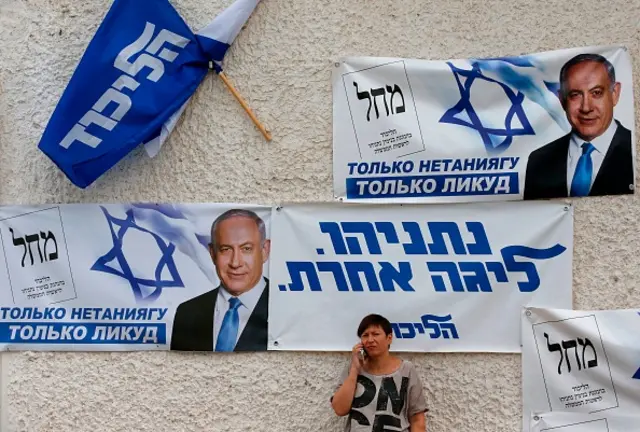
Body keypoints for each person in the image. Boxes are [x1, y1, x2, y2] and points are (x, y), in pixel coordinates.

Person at [524, 53, 633, 199]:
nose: (586, 107)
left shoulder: (634, 149)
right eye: (575, 95)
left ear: (614, 93)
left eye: (596, 93)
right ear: (562, 100)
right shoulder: (538, 161)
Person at [170, 209, 271, 352]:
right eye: (226, 249)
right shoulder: (186, 313)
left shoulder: (285, 309)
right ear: (212, 253)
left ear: (264, 251)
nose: (235, 263)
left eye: (246, 249)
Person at [331, 314, 427, 431]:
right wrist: (355, 370)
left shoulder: (406, 370)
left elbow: (417, 418)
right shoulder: (353, 369)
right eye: (365, 335)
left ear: (389, 338)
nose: (370, 340)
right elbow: (340, 409)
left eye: (376, 334)